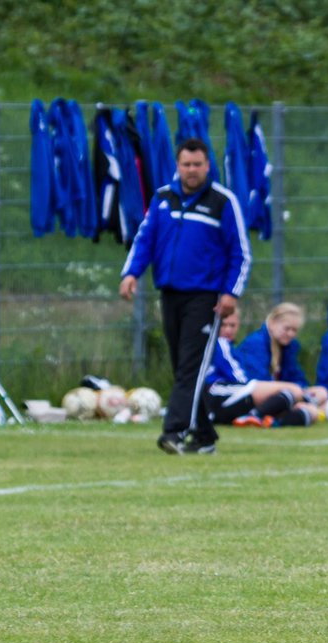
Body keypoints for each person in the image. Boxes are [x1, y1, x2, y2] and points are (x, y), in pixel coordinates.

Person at [120, 138, 250, 455]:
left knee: (190, 364)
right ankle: (204, 436)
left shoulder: (223, 201)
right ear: (178, 166)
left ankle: (175, 431)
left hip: (205, 297)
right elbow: (145, 239)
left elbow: (241, 253)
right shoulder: (164, 198)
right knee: (183, 365)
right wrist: (131, 273)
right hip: (170, 293)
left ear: (208, 166)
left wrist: (231, 292)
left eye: (197, 165)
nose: (191, 171)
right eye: (186, 164)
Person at [204, 311, 319, 428]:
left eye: (232, 325)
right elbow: (242, 378)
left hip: (241, 394)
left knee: (312, 411)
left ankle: (272, 422)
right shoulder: (228, 343)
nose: (228, 330)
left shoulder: (289, 347)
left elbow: (295, 375)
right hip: (220, 391)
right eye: (223, 325)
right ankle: (255, 415)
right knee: (294, 390)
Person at [234, 302, 328, 406]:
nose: (291, 334)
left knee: (321, 391)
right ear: (272, 323)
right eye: (287, 328)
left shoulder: (289, 346)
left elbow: (296, 376)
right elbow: (258, 380)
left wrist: (301, 389)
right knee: (296, 392)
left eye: (295, 330)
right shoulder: (255, 343)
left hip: (282, 393)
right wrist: (292, 389)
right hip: (255, 395)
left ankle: (303, 406)